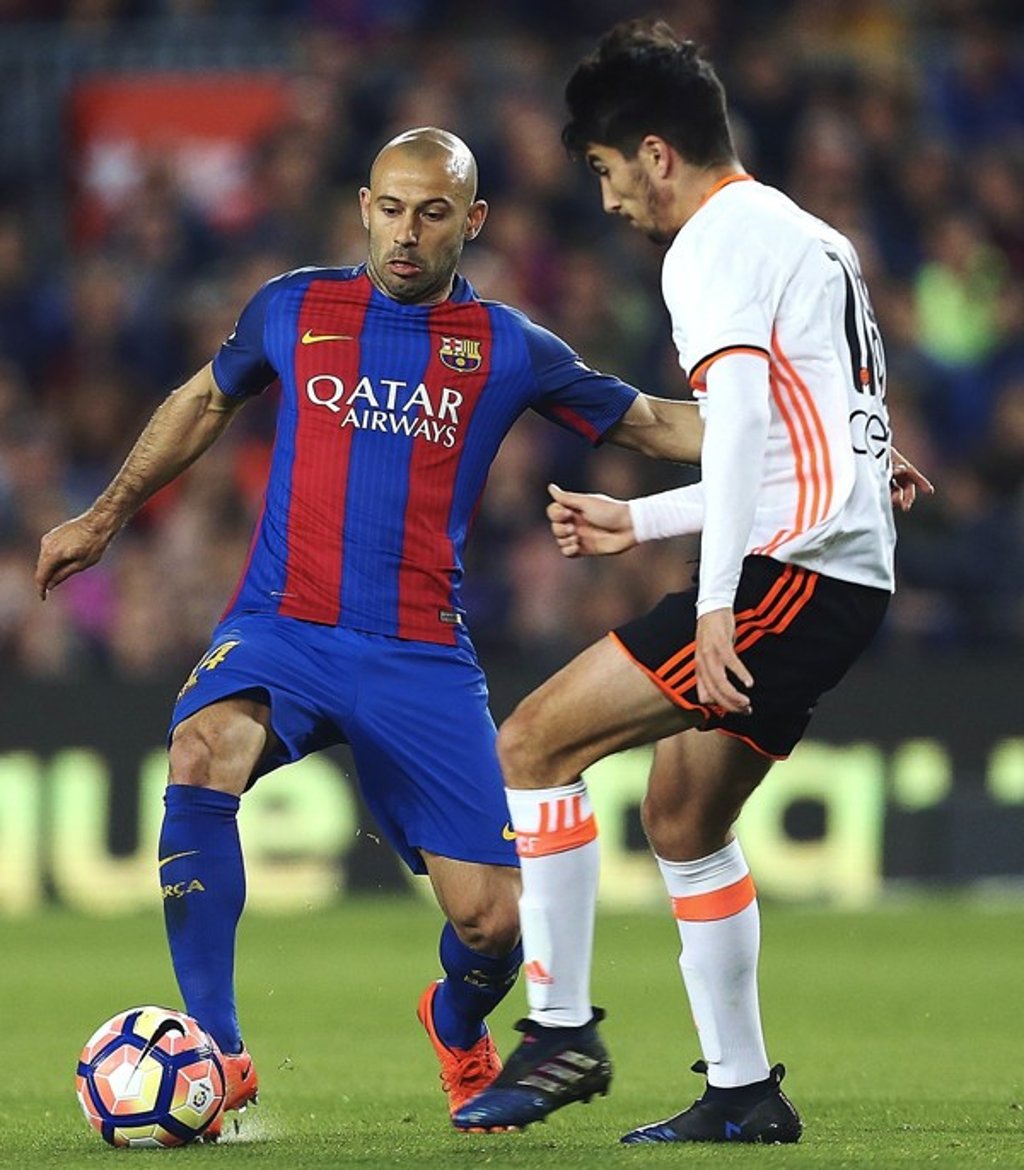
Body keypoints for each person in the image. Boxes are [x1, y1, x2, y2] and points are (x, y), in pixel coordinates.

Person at [35, 126, 708, 1137]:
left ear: (470, 222)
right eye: (390, 208)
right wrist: (103, 516)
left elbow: (656, 424)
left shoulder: (508, 347)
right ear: (363, 206)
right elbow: (200, 402)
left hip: (419, 657)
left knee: (493, 924)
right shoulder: (294, 306)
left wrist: (817, 441)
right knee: (201, 747)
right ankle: (217, 1048)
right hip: (285, 627)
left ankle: (452, 1015)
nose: (406, 232)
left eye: (432, 213)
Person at [453, 23, 933, 1143]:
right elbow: (781, 440)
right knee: (679, 820)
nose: (612, 201)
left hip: (790, 578)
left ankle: (558, 1028)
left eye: (610, 173)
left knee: (531, 743)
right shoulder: (811, 237)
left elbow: (747, 427)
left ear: (657, 153)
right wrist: (642, 518)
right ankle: (743, 1093)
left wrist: (713, 601)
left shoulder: (709, 245)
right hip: (837, 577)